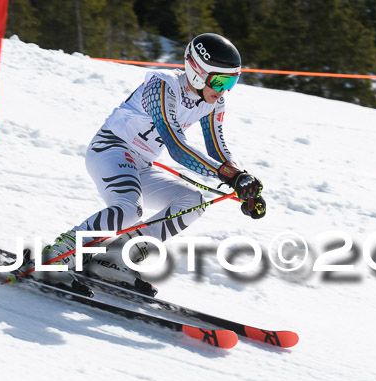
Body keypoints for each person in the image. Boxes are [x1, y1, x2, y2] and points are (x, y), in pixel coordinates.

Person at [27, 33, 266, 294]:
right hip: (111, 149)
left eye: (231, 81)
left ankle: (117, 257)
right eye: (219, 80)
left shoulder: (214, 101)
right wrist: (228, 176)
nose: (224, 89)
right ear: (197, 72)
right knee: (130, 210)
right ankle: (57, 255)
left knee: (192, 202)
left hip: (141, 164)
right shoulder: (162, 86)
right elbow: (176, 146)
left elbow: (218, 149)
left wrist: (243, 180)